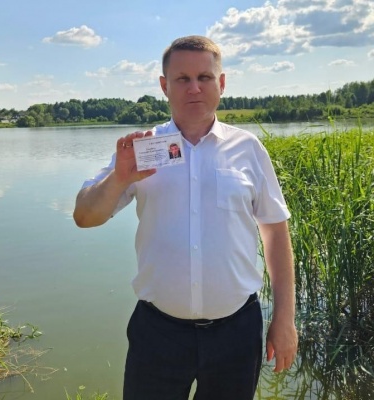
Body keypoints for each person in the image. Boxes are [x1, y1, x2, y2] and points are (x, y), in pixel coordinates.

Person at [73, 35, 297, 400]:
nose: (194, 88)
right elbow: (85, 216)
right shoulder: (143, 150)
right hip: (157, 334)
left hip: (237, 333)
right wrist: (119, 179)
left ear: (221, 83)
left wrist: (284, 319)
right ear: (165, 86)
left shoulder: (248, 149)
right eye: (182, 79)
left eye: (204, 77)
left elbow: (275, 234)